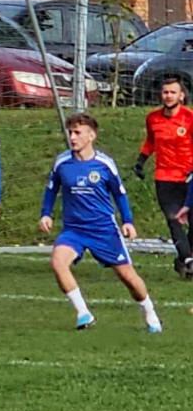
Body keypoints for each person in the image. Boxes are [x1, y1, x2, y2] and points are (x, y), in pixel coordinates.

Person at [44, 113, 162, 332]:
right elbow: (51, 190)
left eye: (77, 133)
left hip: (103, 230)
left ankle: (149, 310)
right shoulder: (62, 162)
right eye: (70, 132)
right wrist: (46, 214)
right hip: (74, 230)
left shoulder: (104, 164)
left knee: (127, 277)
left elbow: (119, 194)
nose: (72, 137)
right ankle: (83, 314)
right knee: (58, 262)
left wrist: (127, 221)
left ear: (91, 136)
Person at [133, 77, 193, 278]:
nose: (168, 96)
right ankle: (188, 259)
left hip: (188, 178)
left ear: (181, 96)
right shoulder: (152, 118)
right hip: (165, 178)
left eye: (172, 92)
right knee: (173, 219)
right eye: (165, 92)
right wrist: (141, 161)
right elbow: (150, 141)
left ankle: (183, 260)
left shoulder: (189, 118)